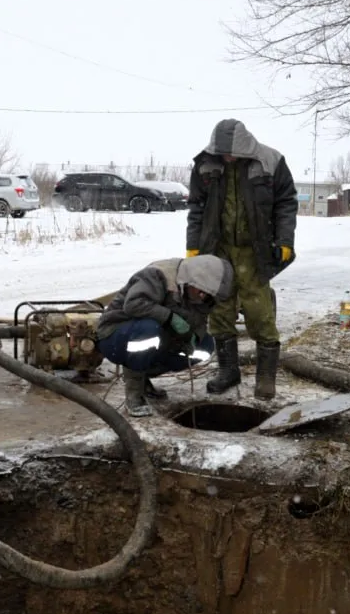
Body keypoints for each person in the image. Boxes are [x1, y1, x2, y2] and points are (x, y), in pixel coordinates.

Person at [186, 118, 298, 400]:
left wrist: (285, 240)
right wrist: (193, 247)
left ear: (244, 145)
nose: (227, 157)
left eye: (231, 152)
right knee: (219, 311)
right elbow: (196, 208)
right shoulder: (205, 165)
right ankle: (228, 372)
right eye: (222, 153)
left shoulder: (270, 161)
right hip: (217, 250)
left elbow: (286, 202)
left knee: (260, 312)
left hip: (254, 250)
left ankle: (265, 378)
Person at [96, 254, 234, 417]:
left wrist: (194, 337)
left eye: (207, 295)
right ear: (192, 281)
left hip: (158, 335)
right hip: (115, 335)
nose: (203, 297)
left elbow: (199, 322)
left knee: (205, 346)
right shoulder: (157, 275)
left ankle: (144, 377)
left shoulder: (203, 295)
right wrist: (170, 317)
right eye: (201, 292)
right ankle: (134, 393)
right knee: (149, 330)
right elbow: (133, 305)